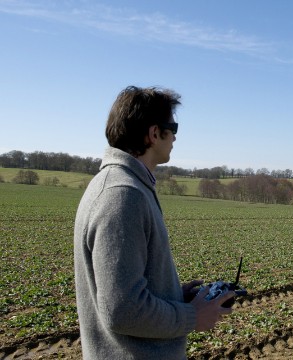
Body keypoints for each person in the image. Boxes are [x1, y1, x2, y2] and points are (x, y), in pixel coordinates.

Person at [74, 86, 235, 359]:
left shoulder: (124, 185)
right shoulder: (122, 195)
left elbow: (126, 287)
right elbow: (123, 310)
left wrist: (171, 293)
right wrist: (192, 316)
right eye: (172, 128)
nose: (174, 137)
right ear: (153, 133)